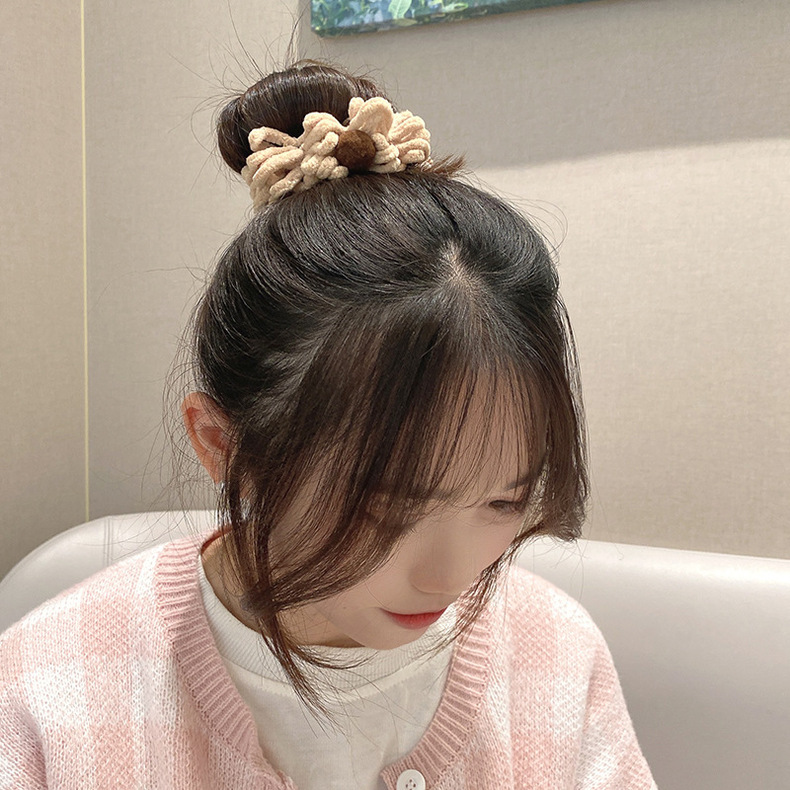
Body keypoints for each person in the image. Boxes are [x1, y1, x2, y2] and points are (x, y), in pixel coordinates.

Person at [0, 59, 657, 789]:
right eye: (389, 508)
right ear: (224, 445)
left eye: (505, 500)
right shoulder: (49, 688)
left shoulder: (556, 657)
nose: (450, 576)